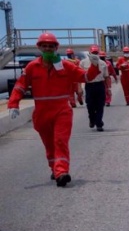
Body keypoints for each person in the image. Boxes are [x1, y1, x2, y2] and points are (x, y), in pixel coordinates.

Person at [7, 33, 101, 186]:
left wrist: (95, 66)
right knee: (49, 144)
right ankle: (54, 168)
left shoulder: (66, 66)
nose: (48, 49)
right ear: (39, 48)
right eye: (44, 46)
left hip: (62, 110)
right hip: (42, 113)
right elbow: (20, 85)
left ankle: (62, 172)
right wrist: (13, 104)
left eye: (51, 46)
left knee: (60, 141)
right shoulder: (32, 67)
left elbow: (85, 77)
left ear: (56, 48)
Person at [80, 44, 110, 131]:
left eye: (96, 53)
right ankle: (92, 119)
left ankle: (99, 123)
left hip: (100, 85)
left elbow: (106, 77)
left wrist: (108, 89)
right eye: (93, 53)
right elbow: (79, 76)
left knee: (100, 105)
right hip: (89, 86)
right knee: (90, 105)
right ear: (89, 53)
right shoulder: (83, 63)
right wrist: (79, 88)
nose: (95, 54)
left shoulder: (103, 63)